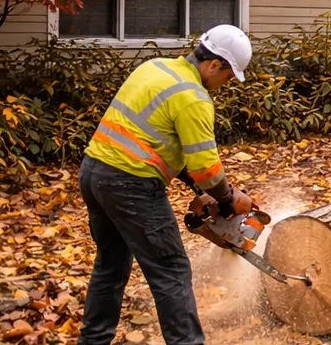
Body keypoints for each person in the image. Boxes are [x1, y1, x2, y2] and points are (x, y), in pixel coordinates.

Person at [78, 25, 254, 345]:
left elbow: (153, 139)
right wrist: (228, 198)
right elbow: (206, 168)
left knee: (111, 265)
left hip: (94, 173)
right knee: (171, 270)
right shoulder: (193, 97)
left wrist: (201, 190)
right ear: (215, 64)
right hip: (130, 185)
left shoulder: (154, 67)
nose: (224, 84)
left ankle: (92, 342)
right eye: (228, 76)